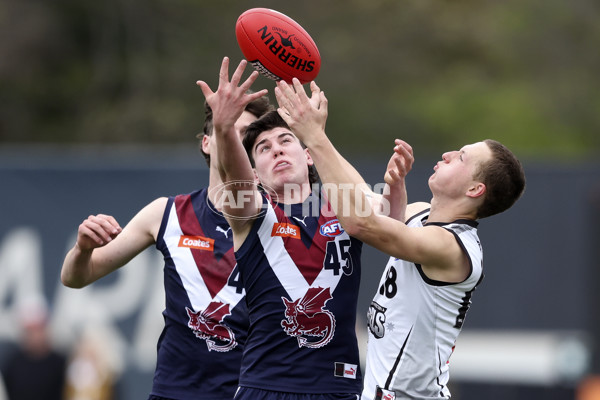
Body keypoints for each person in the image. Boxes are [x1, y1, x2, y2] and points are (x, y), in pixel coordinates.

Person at [274, 78, 526, 400]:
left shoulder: (451, 247)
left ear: (475, 190)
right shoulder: (421, 214)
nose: (448, 154)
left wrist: (315, 137)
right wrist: (394, 195)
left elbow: (359, 223)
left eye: (461, 157)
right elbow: (363, 201)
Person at [60, 84, 272, 399]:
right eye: (226, 128)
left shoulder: (280, 218)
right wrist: (83, 248)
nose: (234, 139)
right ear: (206, 143)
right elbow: (75, 278)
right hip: (176, 391)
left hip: (253, 391)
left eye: (247, 136)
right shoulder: (166, 214)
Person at [196, 57, 387, 400]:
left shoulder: (341, 207)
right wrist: (224, 129)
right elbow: (236, 181)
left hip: (338, 388)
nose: (277, 150)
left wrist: (315, 135)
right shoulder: (251, 211)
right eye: (263, 149)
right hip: (267, 387)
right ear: (255, 173)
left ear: (308, 155)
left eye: (286, 140)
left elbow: (372, 212)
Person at [0, 297, 67, 400]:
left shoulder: (60, 363)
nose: (35, 336)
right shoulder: (13, 364)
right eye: (31, 331)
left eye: (39, 329)